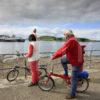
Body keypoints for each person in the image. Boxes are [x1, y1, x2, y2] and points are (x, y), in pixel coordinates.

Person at [51, 30, 84, 99]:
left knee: (73, 79)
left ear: (67, 35)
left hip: (76, 62)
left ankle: (72, 95)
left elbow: (63, 51)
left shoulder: (71, 41)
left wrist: (54, 56)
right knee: (63, 59)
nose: (64, 37)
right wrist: (55, 54)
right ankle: (66, 73)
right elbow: (63, 48)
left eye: (65, 36)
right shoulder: (74, 39)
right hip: (75, 59)